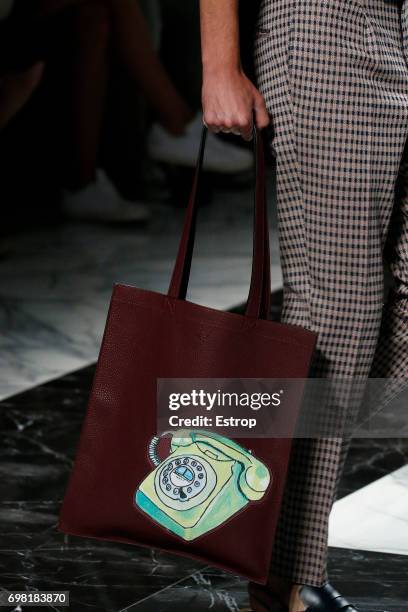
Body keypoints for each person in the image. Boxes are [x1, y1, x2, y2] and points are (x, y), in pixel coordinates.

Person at [200, 0, 408, 611]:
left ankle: (274, 542)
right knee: (339, 312)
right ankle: (285, 576)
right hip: (326, 28)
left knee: (354, 321)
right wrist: (219, 62)